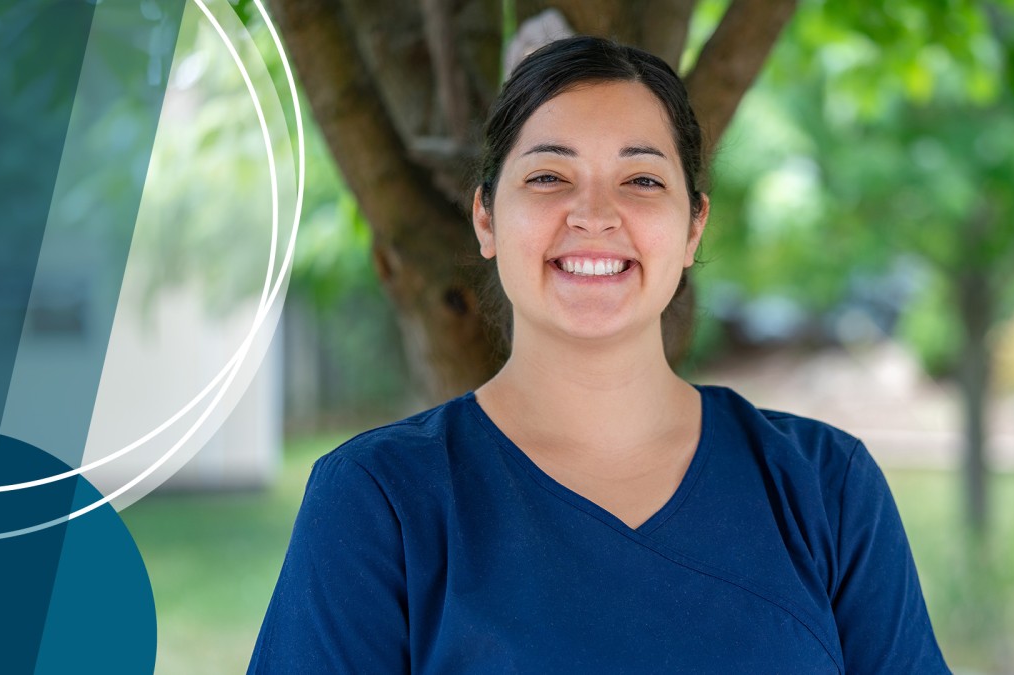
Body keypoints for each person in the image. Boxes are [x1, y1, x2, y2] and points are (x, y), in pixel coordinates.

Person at [248, 36, 949, 674]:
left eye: (642, 180)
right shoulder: (380, 501)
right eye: (549, 177)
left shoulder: (826, 489)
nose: (594, 214)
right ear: (486, 217)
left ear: (693, 226)